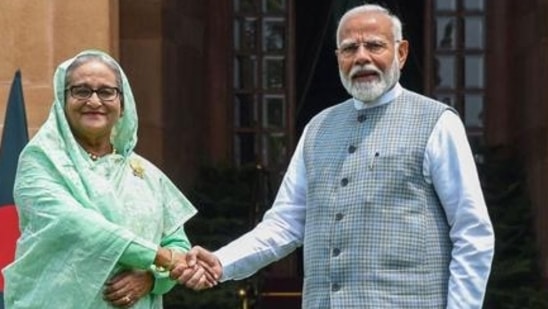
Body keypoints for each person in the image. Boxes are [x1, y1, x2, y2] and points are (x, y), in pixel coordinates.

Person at [172, 3, 495, 308]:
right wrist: (221, 262)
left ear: (402, 52)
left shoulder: (437, 122)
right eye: (350, 49)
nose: (362, 57)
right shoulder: (318, 128)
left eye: (375, 45)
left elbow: (472, 233)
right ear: (338, 57)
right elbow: (284, 224)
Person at [2, 50, 214, 309]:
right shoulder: (41, 160)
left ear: (123, 104)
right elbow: (75, 225)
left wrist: (151, 277)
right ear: (62, 99)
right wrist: (159, 258)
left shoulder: (145, 173)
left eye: (106, 92)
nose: (94, 101)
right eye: (81, 91)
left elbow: (177, 243)